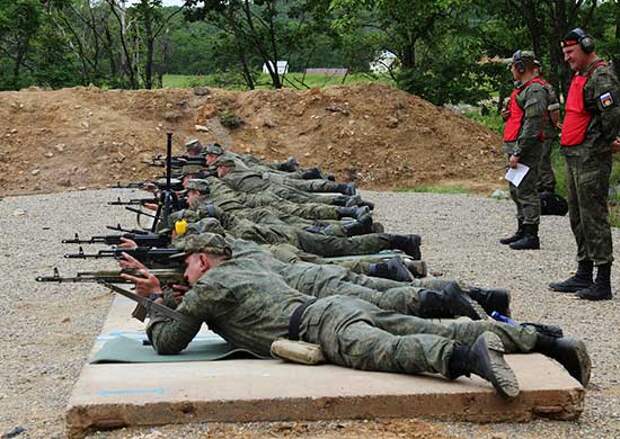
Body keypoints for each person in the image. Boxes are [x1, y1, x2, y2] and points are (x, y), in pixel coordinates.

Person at [120, 233, 591, 400]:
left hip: (320, 327)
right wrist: (175, 290)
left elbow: (170, 341)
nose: (186, 269)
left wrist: (155, 297)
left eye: (188, 262)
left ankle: (468, 357)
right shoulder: (248, 262)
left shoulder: (210, 286)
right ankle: (549, 342)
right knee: (424, 324)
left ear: (202, 260)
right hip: (332, 310)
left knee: (392, 351)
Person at [549, 28, 620, 301]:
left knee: (594, 217)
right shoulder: (582, 75)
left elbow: (612, 115)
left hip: (591, 158)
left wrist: (603, 142)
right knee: (578, 216)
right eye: (565, 52)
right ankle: (583, 272)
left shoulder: (601, 76)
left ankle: (602, 281)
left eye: (571, 52)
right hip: (576, 156)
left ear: (587, 47)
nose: (567, 57)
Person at [500, 50, 548, 250]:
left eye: (513, 66)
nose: (511, 70)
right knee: (516, 189)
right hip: (516, 144)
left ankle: (531, 234)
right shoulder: (522, 90)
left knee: (527, 190)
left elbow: (532, 125)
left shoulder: (535, 90)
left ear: (521, 68)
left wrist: (518, 151)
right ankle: (522, 228)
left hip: (525, 148)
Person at [533, 62, 561, 194]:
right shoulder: (527, 87)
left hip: (545, 129)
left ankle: (548, 186)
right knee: (535, 159)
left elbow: (554, 109)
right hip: (532, 130)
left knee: (543, 159)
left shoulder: (546, 87)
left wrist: (555, 124)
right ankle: (538, 186)